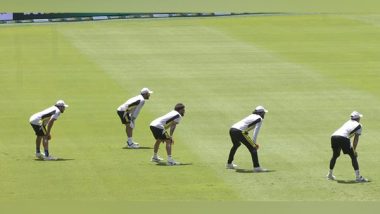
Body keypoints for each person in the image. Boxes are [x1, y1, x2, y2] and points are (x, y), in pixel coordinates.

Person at [327, 111, 368, 182]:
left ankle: (330, 175)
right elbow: (356, 139)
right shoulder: (359, 125)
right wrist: (354, 151)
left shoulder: (348, 122)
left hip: (334, 136)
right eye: (359, 118)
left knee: (335, 155)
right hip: (343, 137)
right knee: (353, 156)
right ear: (357, 118)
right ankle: (358, 177)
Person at [226, 105, 268, 172]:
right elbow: (256, 131)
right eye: (264, 113)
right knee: (253, 148)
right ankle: (257, 168)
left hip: (232, 129)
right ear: (261, 113)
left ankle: (229, 164)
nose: (264, 114)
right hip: (239, 131)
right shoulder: (259, 118)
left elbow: (248, 126)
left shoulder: (252, 116)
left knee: (236, 144)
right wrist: (254, 143)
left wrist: (246, 131)